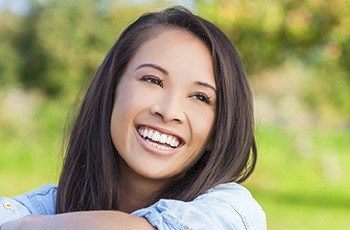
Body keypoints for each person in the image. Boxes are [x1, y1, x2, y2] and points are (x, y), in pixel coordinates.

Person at [0, 6, 266, 229]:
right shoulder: (34, 209)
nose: (169, 111)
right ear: (112, 90)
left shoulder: (231, 212)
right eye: (152, 80)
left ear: (218, 130)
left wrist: (29, 226)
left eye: (200, 97)